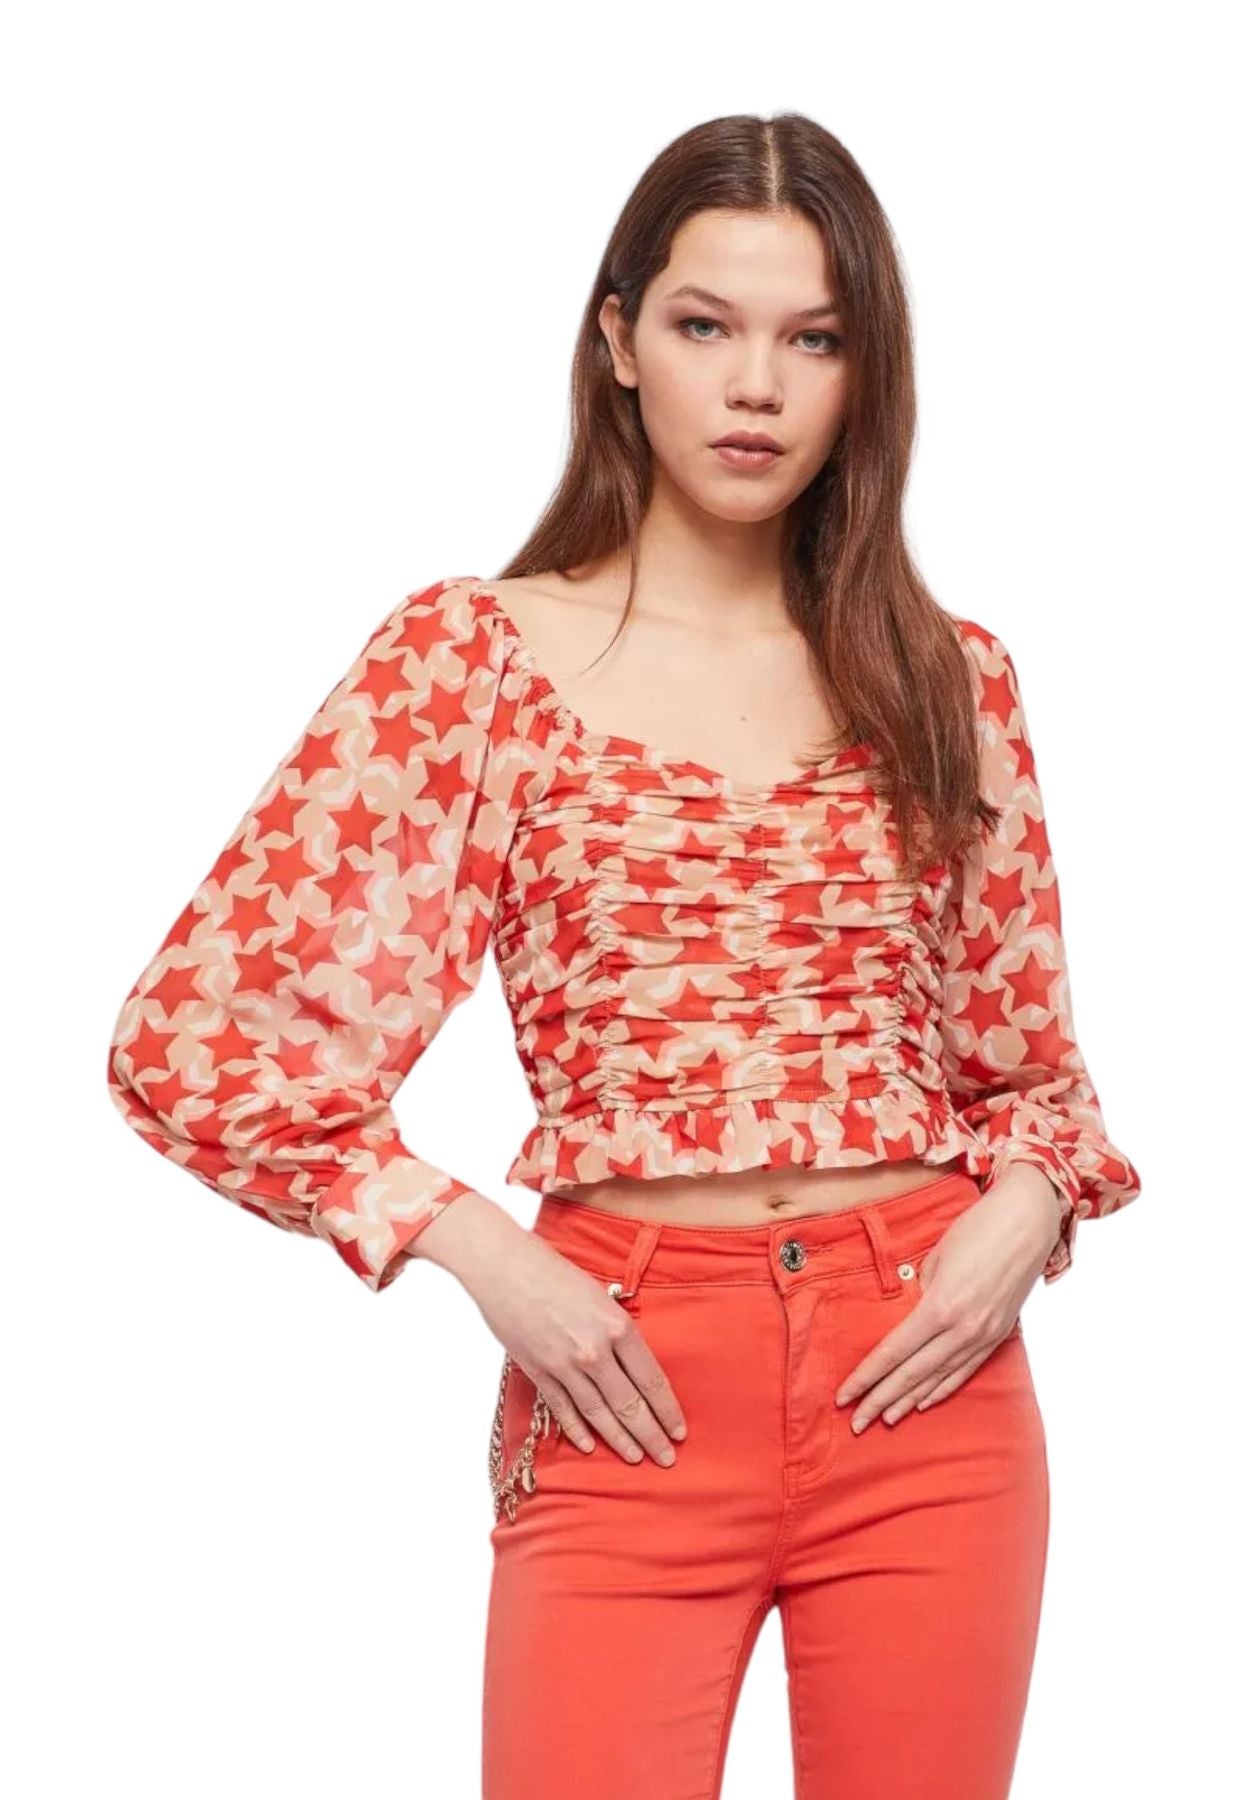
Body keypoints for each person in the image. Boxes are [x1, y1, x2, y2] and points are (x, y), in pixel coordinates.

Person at [105, 111, 1140, 1800]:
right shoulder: (474, 659)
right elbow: (195, 1040)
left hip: (927, 1378)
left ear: (865, 376)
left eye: (814, 340)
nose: (756, 386)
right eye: (704, 325)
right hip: (625, 1379)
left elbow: (1028, 1071)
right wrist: (471, 1245)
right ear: (618, 342)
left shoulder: (948, 676)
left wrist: (1024, 1210)